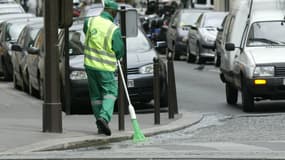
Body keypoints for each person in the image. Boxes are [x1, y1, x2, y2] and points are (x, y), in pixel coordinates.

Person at [83, 0, 124, 136]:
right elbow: (119, 50)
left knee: (96, 96)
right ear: (113, 12)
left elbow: (86, 32)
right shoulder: (114, 29)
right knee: (110, 93)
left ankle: (100, 125)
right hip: (105, 68)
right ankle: (104, 118)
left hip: (89, 65)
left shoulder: (90, 22)